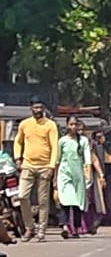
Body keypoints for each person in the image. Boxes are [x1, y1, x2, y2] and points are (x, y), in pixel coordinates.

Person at [12, 101, 59, 242]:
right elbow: (18, 141)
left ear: (44, 109)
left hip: (45, 166)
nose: (38, 110)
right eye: (35, 107)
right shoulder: (25, 124)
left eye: (40, 108)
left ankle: (42, 230)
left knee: (43, 200)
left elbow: (54, 146)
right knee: (22, 196)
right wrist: (17, 158)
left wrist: (52, 166)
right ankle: (29, 227)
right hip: (28, 164)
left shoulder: (50, 125)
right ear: (31, 109)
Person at [55, 118, 91, 239]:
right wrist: (55, 179)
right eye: (71, 124)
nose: (73, 127)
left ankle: (75, 228)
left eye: (75, 124)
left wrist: (88, 174)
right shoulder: (62, 141)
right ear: (67, 125)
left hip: (78, 174)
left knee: (77, 202)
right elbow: (57, 160)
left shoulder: (83, 141)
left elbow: (88, 159)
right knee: (65, 200)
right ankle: (64, 226)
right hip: (64, 173)